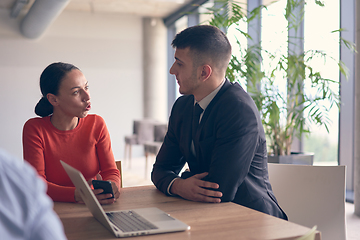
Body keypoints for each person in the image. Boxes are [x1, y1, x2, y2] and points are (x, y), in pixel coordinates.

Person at [151, 25, 287, 220]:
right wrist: (180, 185)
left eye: (179, 64)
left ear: (204, 73)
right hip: (207, 215)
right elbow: (160, 169)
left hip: (253, 219)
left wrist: (181, 179)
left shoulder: (239, 110)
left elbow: (218, 190)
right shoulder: (182, 107)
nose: (172, 70)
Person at [23, 62, 120, 204]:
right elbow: (36, 183)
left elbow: (111, 171)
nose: (87, 96)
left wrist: (113, 185)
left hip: (96, 207)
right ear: (53, 99)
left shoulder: (97, 124)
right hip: (53, 211)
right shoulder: (35, 129)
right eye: (76, 92)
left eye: (86, 87)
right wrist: (76, 195)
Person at [0, 148, 67, 240]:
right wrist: (76, 193)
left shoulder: (11, 174)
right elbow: (40, 179)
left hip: (84, 204)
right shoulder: (10, 174)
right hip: (58, 206)